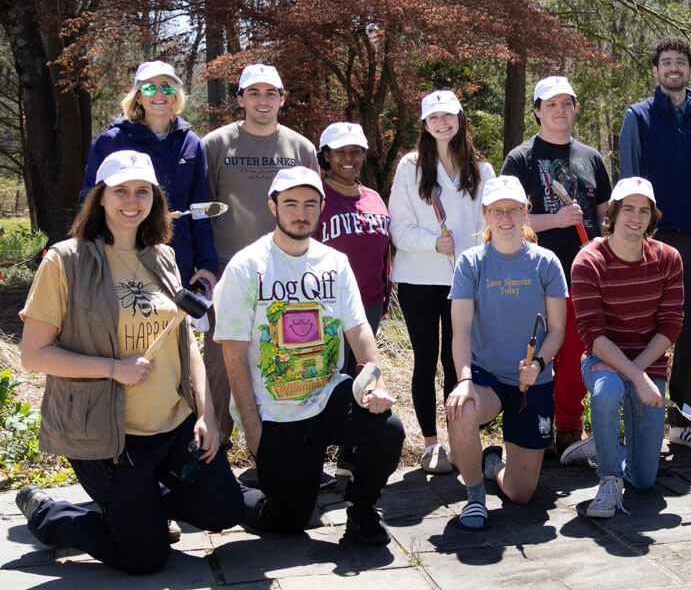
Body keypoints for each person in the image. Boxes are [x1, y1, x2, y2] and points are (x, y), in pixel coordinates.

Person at [15, 150, 241, 574]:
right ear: (100, 197)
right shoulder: (66, 261)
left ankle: (141, 513)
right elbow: (33, 355)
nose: (132, 201)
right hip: (113, 438)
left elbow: (185, 341)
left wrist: (208, 414)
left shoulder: (162, 256)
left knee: (224, 511)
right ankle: (50, 514)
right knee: (144, 559)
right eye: (120, 191)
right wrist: (114, 369)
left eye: (142, 191)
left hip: (174, 426)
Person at [217, 166, 404, 545]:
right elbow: (233, 354)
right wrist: (251, 426)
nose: (300, 213)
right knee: (288, 521)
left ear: (321, 207)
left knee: (388, 429)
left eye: (309, 204)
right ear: (272, 206)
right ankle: (219, 493)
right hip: (275, 411)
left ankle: (362, 511)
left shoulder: (334, 263)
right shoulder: (247, 266)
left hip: (327, 396)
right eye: (290, 204)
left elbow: (358, 329)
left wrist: (376, 382)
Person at [203, 63, 319, 442]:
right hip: (228, 270)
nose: (263, 100)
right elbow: (200, 210)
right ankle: (215, 446)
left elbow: (314, 209)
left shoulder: (300, 148)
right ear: (240, 99)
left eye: (271, 93)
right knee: (221, 361)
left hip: (284, 271)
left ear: (282, 99)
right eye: (253, 93)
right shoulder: (215, 145)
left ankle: (282, 444)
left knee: (284, 358)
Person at [444, 176, 567, 531]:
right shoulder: (470, 263)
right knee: (461, 408)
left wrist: (539, 362)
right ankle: (474, 497)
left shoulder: (546, 263)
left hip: (533, 382)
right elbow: (461, 330)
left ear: (525, 212)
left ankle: (491, 464)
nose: (506, 217)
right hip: (487, 378)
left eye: (513, 209)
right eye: (497, 210)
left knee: (520, 494)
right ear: (485, 215)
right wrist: (465, 380)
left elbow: (557, 329)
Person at [501, 75, 611, 459]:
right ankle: (535, 427)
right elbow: (508, 220)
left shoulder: (591, 157)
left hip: (584, 275)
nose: (560, 111)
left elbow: (603, 218)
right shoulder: (521, 158)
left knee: (576, 355)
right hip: (536, 275)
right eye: (551, 105)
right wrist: (556, 219)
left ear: (575, 108)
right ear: (536, 112)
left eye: (566, 103)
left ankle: (568, 429)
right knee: (539, 354)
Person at [620, 36, 691, 450]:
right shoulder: (638, 116)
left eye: (681, 62)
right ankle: (638, 422)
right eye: (666, 62)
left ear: (690, 70)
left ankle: (682, 423)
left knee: (690, 324)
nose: (673, 68)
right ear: (657, 70)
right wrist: (638, 231)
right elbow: (629, 178)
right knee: (642, 325)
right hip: (650, 235)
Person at [389, 90, 494, 474]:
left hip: (464, 282)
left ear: (460, 118)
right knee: (424, 360)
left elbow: (490, 225)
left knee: (457, 360)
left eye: (448, 116)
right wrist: (433, 242)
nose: (442, 123)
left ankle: (458, 438)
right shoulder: (410, 167)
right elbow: (397, 228)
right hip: (418, 279)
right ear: (425, 124)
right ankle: (431, 443)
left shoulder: (481, 171)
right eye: (434, 118)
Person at [566, 177, 683, 518]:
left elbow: (671, 325)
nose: (636, 217)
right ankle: (608, 481)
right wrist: (633, 375)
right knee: (607, 390)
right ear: (613, 213)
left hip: (648, 365)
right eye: (628, 209)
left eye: (644, 210)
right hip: (603, 360)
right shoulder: (588, 260)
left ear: (652, 217)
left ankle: (600, 448)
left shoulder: (668, 258)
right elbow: (592, 334)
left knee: (645, 481)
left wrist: (640, 374)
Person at [81, 60, 217, 290]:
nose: (158, 94)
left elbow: (201, 209)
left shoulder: (192, 144)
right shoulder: (111, 141)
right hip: (122, 257)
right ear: (138, 97)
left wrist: (207, 263)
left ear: (175, 95)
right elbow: (89, 202)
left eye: (166, 87)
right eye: (148, 87)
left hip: (178, 261)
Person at [314, 122, 391, 361]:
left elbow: (384, 253)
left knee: (362, 375)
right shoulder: (316, 197)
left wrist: (384, 297)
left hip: (369, 302)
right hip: (328, 303)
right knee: (330, 378)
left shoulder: (374, 198)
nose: (348, 158)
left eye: (355, 151)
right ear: (326, 155)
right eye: (340, 152)